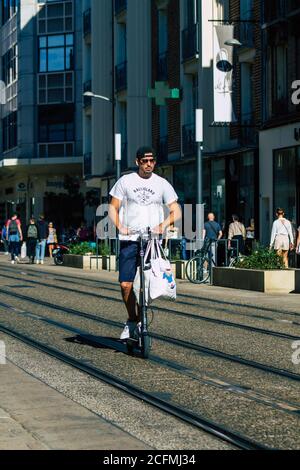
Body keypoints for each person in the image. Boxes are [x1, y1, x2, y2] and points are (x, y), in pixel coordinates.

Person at [109, 146, 181, 340]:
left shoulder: (162, 184)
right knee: (126, 285)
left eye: (152, 161)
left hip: (152, 243)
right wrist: (121, 227)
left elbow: (176, 210)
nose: (148, 164)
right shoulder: (125, 181)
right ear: (137, 162)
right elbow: (112, 208)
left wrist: (163, 224)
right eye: (144, 161)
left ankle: (142, 321)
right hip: (129, 240)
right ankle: (132, 320)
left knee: (148, 286)